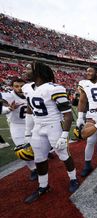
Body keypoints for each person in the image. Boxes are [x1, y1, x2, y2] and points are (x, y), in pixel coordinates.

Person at [22, 62, 79, 203]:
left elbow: (67, 114)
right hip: (38, 126)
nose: (25, 71)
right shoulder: (27, 88)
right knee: (39, 158)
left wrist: (64, 134)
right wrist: (28, 132)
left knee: (64, 154)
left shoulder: (54, 88)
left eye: (29, 69)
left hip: (54, 126)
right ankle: (43, 185)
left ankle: (73, 179)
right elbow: (30, 110)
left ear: (38, 72)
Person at [0, 78, 37, 180]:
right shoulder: (9, 96)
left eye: (22, 86)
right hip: (17, 125)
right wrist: (9, 109)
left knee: (39, 145)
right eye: (16, 86)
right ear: (12, 87)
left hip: (33, 124)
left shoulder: (31, 92)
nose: (20, 88)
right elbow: (1, 109)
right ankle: (33, 169)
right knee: (23, 150)